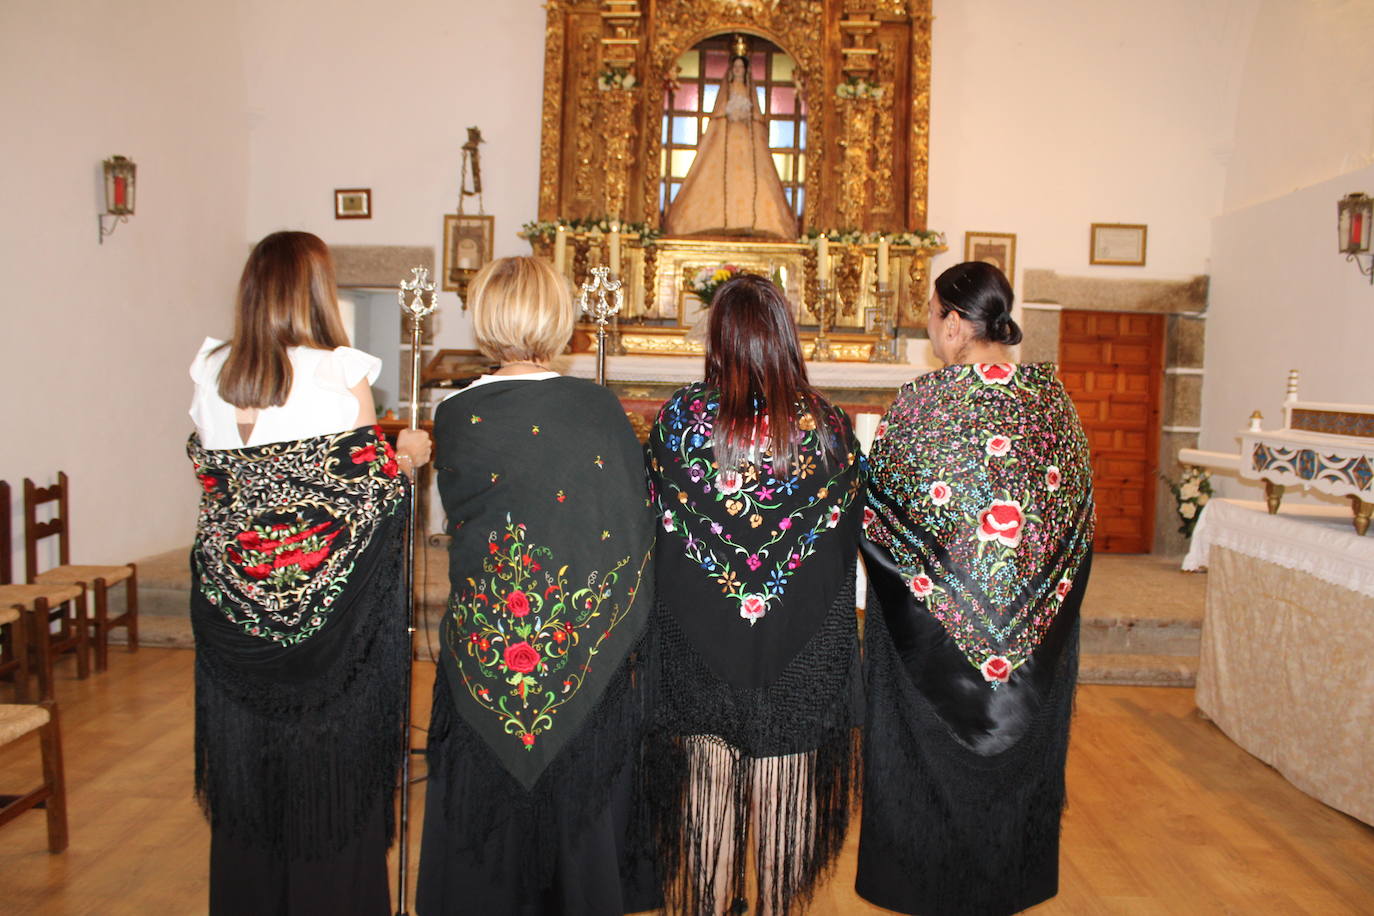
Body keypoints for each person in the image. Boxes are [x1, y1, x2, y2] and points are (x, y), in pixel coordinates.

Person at [186, 230, 431, 915]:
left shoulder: (210, 368)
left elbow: (229, 487)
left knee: (248, 775)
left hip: (232, 610)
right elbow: (367, 503)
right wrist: (407, 458)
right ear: (317, 292)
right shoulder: (337, 371)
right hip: (326, 632)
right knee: (325, 774)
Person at [417, 256, 657, 915]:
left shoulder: (456, 412)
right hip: (580, 646)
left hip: (488, 646)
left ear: (484, 315)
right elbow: (629, 526)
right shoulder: (596, 408)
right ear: (561, 318)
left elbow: (456, 516)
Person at [854, 261, 1095, 916]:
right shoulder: (1054, 402)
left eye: (933, 316)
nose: (932, 330)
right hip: (1034, 643)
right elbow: (1076, 521)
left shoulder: (922, 402)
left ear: (956, 325)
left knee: (928, 775)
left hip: (931, 641)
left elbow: (878, 520)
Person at [644, 274, 864, 915]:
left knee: (709, 799)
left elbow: (654, 521)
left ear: (716, 337)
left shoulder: (681, 418)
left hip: (699, 643)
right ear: (785, 336)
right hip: (800, 646)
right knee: (783, 797)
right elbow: (846, 533)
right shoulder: (826, 424)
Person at [665, 41, 798, 239]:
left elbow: (756, 114)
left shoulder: (748, 89)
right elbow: (719, 111)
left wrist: (747, 116)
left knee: (752, 178)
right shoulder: (726, 90)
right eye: (735, 67)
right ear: (731, 69)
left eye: (741, 67)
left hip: (746, 138)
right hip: (725, 139)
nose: (738, 70)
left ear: (745, 70)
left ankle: (750, 221)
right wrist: (728, 113)